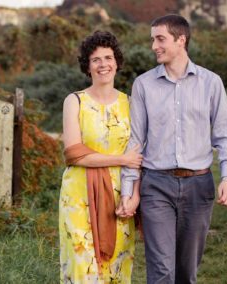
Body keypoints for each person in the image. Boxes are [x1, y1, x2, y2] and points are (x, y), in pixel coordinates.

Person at [120, 14, 227, 283]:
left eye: (160, 39)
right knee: (162, 270)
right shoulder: (143, 85)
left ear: (181, 40)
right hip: (156, 186)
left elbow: (224, 135)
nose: (154, 46)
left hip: (199, 186)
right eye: (152, 39)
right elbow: (135, 142)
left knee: (186, 273)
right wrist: (129, 191)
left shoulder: (211, 83)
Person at [59, 31, 142, 283]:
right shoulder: (75, 101)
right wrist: (121, 159)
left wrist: (135, 196)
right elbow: (74, 153)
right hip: (79, 194)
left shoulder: (131, 104)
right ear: (87, 65)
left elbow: (138, 158)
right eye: (95, 59)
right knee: (83, 265)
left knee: (117, 265)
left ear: (117, 62)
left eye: (108, 57)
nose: (103, 64)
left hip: (122, 193)